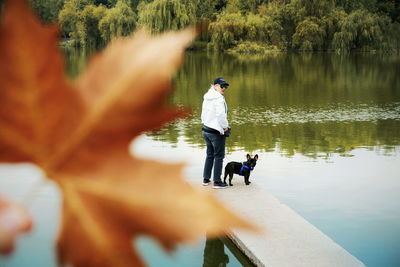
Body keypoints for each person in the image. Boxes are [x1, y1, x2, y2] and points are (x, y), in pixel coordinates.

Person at [201, 77, 230, 189]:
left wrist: (205, 123)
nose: (224, 88)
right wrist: (225, 127)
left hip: (206, 129)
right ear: (215, 85)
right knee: (219, 156)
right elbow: (221, 115)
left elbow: (203, 113)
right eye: (221, 86)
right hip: (215, 132)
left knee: (209, 155)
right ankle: (217, 182)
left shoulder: (207, 96)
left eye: (225, 86)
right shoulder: (218, 98)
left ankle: (206, 179)